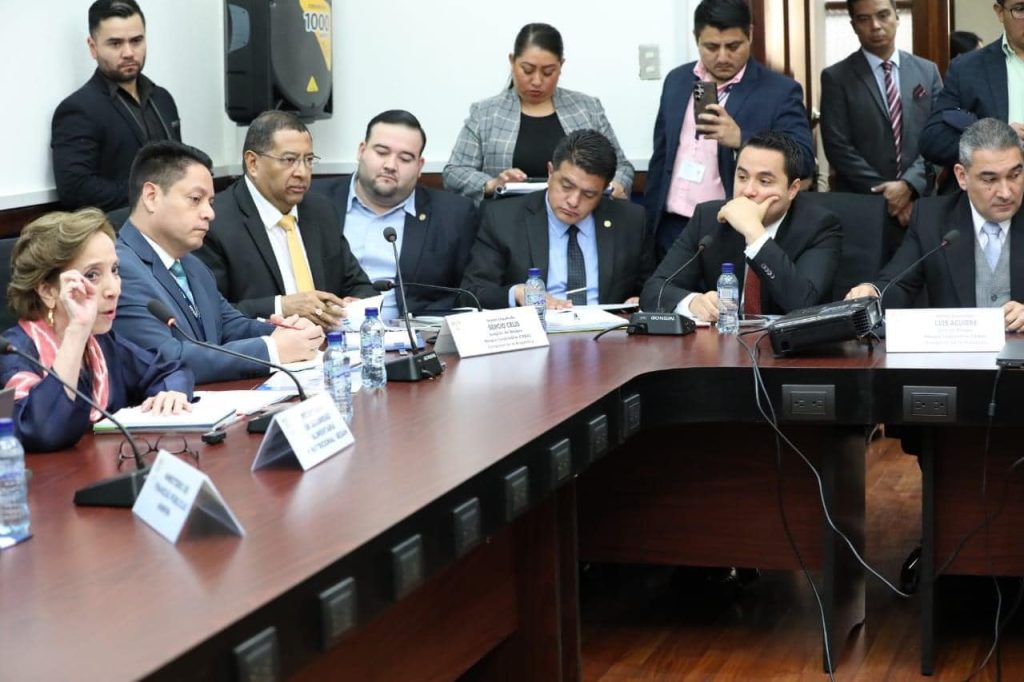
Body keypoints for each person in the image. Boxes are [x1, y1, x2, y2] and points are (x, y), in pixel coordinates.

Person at [114, 141, 324, 384]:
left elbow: (230, 326)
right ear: (151, 197)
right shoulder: (119, 269)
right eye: (195, 199)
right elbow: (164, 357)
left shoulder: (193, 265)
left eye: (211, 203)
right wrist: (272, 349)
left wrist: (288, 332)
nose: (210, 214)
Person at [0, 209, 193, 452]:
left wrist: (171, 393)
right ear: (48, 291)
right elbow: (42, 430)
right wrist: (76, 331)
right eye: (92, 275)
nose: (114, 289)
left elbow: (167, 370)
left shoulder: (101, 343)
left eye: (115, 270)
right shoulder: (13, 355)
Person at [645, 0, 815, 260]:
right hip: (670, 227)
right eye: (711, 47)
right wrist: (648, 227)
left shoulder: (780, 91)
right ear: (696, 38)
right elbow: (661, 156)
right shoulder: (677, 80)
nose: (723, 57)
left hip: (728, 226)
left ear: (750, 35)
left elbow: (803, 159)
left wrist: (742, 140)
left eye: (733, 46)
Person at [196, 111, 376, 328]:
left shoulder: (321, 211)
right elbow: (209, 313)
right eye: (289, 160)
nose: (302, 172)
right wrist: (281, 306)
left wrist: (352, 305)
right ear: (253, 163)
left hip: (331, 342)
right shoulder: (215, 222)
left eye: (308, 160)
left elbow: (360, 286)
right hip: (264, 345)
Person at [640, 131, 840, 319]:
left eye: (764, 181)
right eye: (742, 177)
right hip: (723, 340)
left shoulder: (819, 226)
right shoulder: (709, 218)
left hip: (788, 343)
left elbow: (804, 305)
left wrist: (754, 233)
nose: (748, 190)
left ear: (793, 189)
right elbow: (654, 290)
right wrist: (693, 303)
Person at [846, 118, 1024, 329]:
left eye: (1015, 175)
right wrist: (872, 292)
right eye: (990, 180)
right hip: (957, 348)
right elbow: (898, 284)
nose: (1006, 192)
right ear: (962, 176)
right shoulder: (932, 218)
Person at [313, 110, 479, 318]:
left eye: (405, 158)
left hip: (415, 333)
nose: (390, 165)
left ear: (419, 166)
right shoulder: (314, 200)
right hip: (323, 328)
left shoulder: (453, 214)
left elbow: (466, 292)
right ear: (361, 151)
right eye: (381, 152)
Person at [461, 130, 653, 309]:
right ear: (550, 172)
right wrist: (516, 294)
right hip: (537, 327)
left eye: (589, 194)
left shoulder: (631, 221)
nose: (573, 201)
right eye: (566, 186)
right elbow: (471, 294)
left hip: (609, 331)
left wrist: (643, 299)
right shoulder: (502, 218)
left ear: (604, 190)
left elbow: (653, 287)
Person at [442, 22, 634, 202]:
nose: (536, 81)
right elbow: (454, 173)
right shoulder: (485, 113)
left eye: (548, 72)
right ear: (512, 61)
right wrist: (492, 184)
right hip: (506, 218)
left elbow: (622, 167)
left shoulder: (587, 108)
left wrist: (616, 184)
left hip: (577, 214)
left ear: (561, 66)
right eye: (527, 70)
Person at [820, 0, 942, 227]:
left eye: (883, 15)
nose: (875, 26)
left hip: (922, 201)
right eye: (864, 19)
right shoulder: (836, 78)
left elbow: (939, 137)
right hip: (863, 206)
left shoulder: (927, 71)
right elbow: (838, 147)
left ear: (897, 16)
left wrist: (909, 186)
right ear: (854, 25)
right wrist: (888, 194)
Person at [51, 0, 180, 212]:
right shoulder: (79, 109)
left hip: (172, 223)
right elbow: (76, 190)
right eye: (115, 43)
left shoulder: (162, 99)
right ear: (93, 47)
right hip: (117, 229)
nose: (128, 52)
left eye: (136, 41)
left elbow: (177, 164)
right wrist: (151, 194)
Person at [920, 1, 1024, 170]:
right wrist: (997, 138)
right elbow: (934, 141)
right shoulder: (967, 69)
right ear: (1000, 12)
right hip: (992, 183)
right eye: (1021, 9)